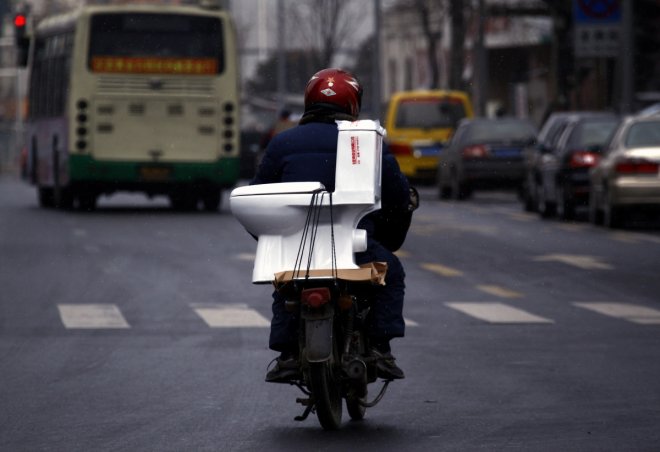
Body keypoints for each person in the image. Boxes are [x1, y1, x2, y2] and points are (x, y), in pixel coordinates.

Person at [250, 68, 412, 382]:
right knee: (391, 273)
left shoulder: (282, 143)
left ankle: (286, 354)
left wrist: (273, 238)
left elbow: (257, 197)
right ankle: (380, 348)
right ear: (353, 103)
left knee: (285, 284)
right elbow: (397, 195)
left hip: (296, 248)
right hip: (354, 249)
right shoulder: (365, 141)